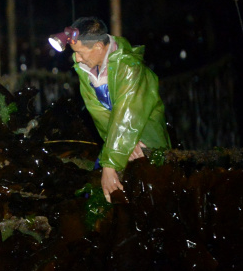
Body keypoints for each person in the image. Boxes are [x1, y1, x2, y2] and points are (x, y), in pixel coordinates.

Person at [56, 16, 170, 202]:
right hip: (118, 141)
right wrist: (121, 147)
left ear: (99, 48)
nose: (77, 58)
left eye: (81, 52)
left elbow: (128, 114)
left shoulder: (130, 68)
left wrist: (110, 166)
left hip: (146, 140)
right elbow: (100, 114)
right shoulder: (86, 70)